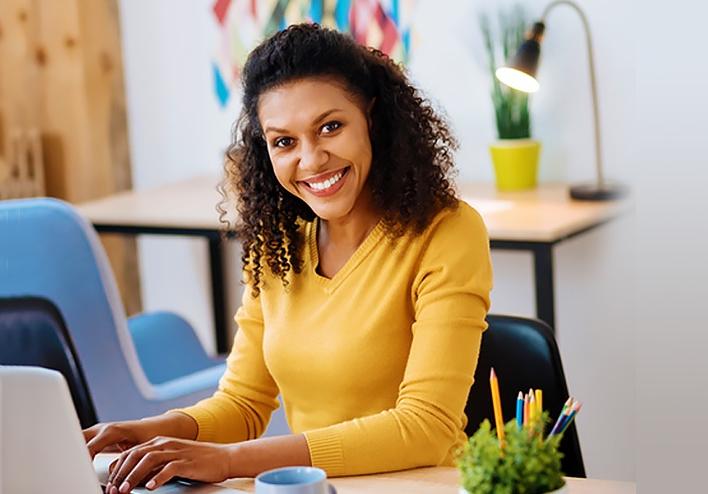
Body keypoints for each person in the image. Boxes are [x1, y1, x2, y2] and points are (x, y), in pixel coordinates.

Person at [84, 23, 493, 493]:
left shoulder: (446, 231)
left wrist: (229, 461)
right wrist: (147, 432)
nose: (312, 159)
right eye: (284, 141)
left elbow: (425, 427)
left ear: (372, 121)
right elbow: (242, 403)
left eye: (330, 127)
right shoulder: (278, 244)